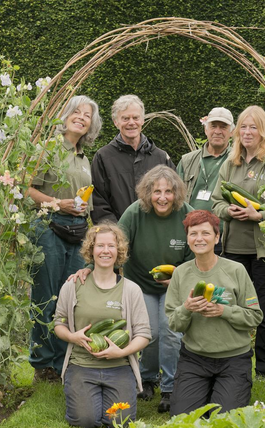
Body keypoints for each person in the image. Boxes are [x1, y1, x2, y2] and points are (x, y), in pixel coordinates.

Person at [73, 165, 193, 413]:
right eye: (156, 191)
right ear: (147, 193)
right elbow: (117, 241)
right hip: (141, 285)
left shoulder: (186, 215)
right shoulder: (136, 212)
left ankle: (170, 387)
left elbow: (194, 254)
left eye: (168, 191)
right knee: (149, 332)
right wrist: (88, 266)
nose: (162, 197)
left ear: (177, 193)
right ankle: (148, 378)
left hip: (174, 286)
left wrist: (179, 279)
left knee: (171, 333)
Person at [27, 95, 102, 383]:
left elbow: (87, 206)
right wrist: (59, 204)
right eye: (77, 112)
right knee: (46, 296)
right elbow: (26, 189)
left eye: (88, 116)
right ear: (65, 115)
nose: (81, 117)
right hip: (49, 228)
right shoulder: (47, 148)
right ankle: (42, 363)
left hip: (77, 231)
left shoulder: (85, 159)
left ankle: (62, 362)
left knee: (69, 299)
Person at [166, 210, 263, 415]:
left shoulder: (236, 270)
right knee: (182, 420)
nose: (199, 239)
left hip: (234, 359)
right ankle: (206, 390)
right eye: (193, 234)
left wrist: (223, 311)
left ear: (217, 237)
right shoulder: (180, 274)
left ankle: (220, 391)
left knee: (223, 420)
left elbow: (254, 317)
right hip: (194, 359)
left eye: (205, 233)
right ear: (187, 238)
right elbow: (174, 324)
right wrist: (187, 308)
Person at [54, 222, 151, 428]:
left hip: (119, 366)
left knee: (120, 422)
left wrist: (121, 352)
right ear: (91, 250)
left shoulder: (131, 290)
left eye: (111, 246)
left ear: (119, 252)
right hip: (81, 364)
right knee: (85, 420)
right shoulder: (73, 285)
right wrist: (72, 337)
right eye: (100, 246)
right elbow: (59, 322)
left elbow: (143, 334)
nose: (105, 251)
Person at [211, 105, 265, 378]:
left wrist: (259, 214)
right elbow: (216, 201)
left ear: (263, 130)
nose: (248, 132)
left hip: (263, 251)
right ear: (237, 131)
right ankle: (229, 361)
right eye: (243, 126)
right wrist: (227, 211)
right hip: (231, 250)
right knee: (229, 306)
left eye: (253, 126)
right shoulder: (230, 164)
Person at [90, 94, 175, 224]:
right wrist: (117, 233)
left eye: (135, 117)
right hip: (119, 236)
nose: (131, 122)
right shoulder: (103, 157)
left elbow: (175, 195)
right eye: (125, 118)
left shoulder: (161, 157)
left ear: (142, 120)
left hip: (156, 232)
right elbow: (98, 203)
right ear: (116, 122)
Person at [177, 107, 234, 254]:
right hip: (191, 237)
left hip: (225, 239)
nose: (217, 131)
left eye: (223, 127)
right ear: (206, 130)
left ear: (232, 132)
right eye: (213, 126)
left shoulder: (238, 160)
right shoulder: (187, 161)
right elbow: (176, 200)